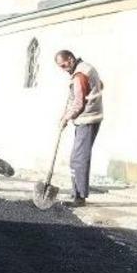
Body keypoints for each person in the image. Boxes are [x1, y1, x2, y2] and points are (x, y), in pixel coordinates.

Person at [55, 50, 104, 207]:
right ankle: (77, 193)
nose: (63, 69)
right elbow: (100, 85)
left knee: (78, 158)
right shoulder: (85, 68)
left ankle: (80, 197)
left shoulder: (80, 75)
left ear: (70, 59)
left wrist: (67, 118)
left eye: (63, 65)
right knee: (78, 157)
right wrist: (64, 115)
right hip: (90, 117)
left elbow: (78, 103)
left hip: (87, 119)